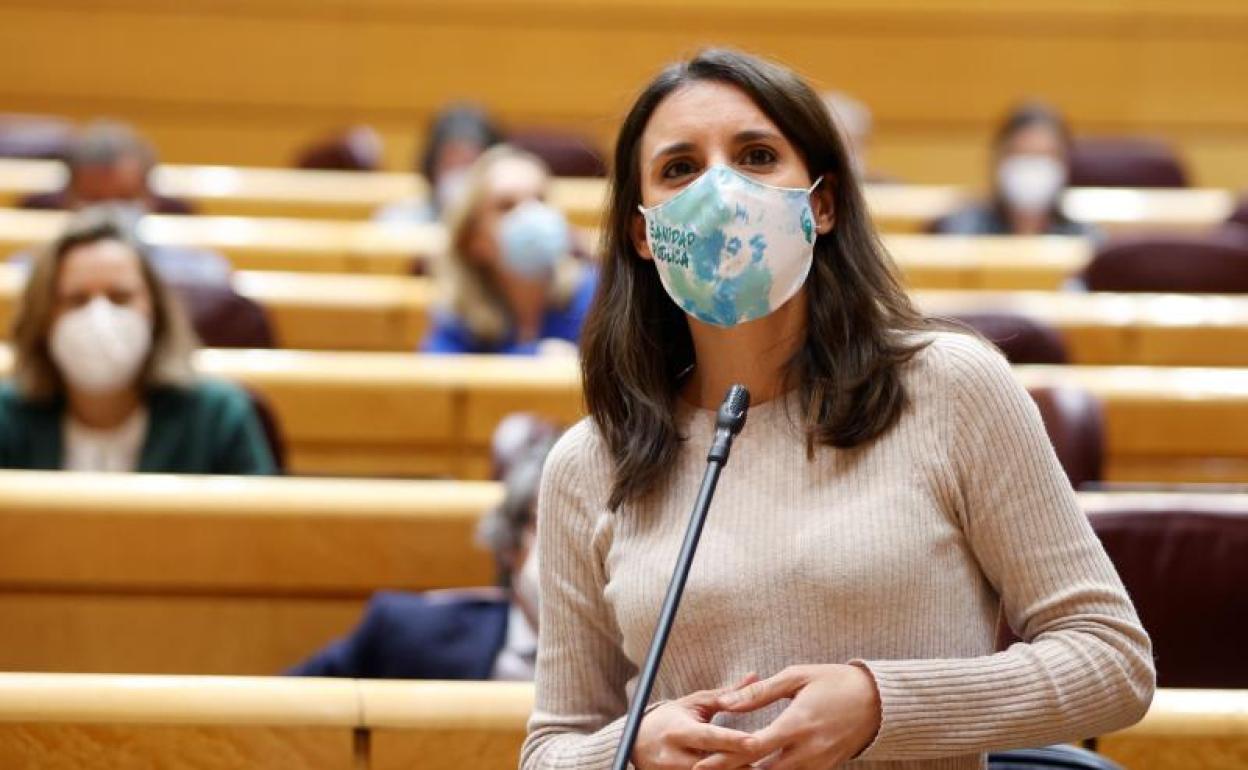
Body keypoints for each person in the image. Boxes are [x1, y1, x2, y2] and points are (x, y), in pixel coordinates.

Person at [521, 49, 1152, 770]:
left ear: (822, 203)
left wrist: (883, 704)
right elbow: (551, 751)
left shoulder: (950, 389)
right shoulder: (590, 461)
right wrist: (630, 750)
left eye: (757, 156)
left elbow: (1111, 658)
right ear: (642, 232)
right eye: (680, 169)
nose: (721, 190)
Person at [0, 208, 276, 474]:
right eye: (77, 300)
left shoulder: (220, 418)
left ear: (155, 310)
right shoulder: (5, 417)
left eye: (120, 297)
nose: (100, 318)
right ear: (44, 317)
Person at [287, 423, 553, 680]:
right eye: (550, 528)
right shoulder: (408, 635)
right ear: (510, 544)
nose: (572, 552)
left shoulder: (596, 670)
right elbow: (278, 714)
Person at [421, 144, 597, 355]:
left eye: (539, 199)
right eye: (506, 206)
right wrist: (532, 356)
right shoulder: (458, 320)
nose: (531, 215)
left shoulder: (594, 298)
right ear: (474, 240)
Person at [933, 102, 1096, 237]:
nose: (1032, 168)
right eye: (1021, 154)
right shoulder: (962, 229)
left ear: (1064, 163)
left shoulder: (1083, 234)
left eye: (1044, 156)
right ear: (998, 160)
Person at [21, 120, 193, 215]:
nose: (109, 215)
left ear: (150, 198)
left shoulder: (198, 269)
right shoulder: (34, 269)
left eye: (125, 199)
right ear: (69, 198)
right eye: (94, 200)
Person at [374, 104, 505, 225]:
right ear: (432, 164)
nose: (459, 173)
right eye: (451, 163)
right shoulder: (399, 221)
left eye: (469, 163)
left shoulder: (501, 227)